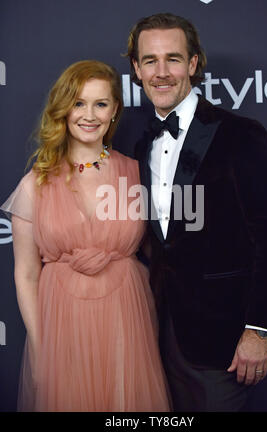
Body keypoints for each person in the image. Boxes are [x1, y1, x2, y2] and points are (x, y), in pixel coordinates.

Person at [126, 13, 267, 411]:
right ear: (136, 68)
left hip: (225, 339)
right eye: (150, 60)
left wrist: (259, 330)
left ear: (193, 63)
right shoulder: (141, 145)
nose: (161, 72)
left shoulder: (241, 135)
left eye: (173, 58)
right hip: (160, 335)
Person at [1, 60, 170, 412]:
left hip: (127, 316)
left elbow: (163, 254)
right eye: (79, 103)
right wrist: (39, 347)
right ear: (63, 108)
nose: (89, 115)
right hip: (63, 322)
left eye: (100, 104)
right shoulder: (35, 184)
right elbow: (27, 273)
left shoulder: (137, 173)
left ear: (114, 112)